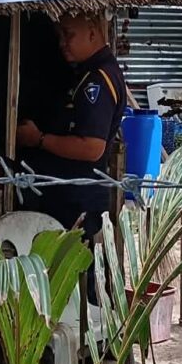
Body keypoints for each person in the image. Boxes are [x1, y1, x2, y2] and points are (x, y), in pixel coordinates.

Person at [15, 14, 127, 240]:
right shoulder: (85, 73)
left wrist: (39, 139)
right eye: (59, 36)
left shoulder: (97, 80)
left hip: (78, 199)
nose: (62, 43)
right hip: (66, 195)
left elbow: (91, 147)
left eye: (68, 35)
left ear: (92, 33)